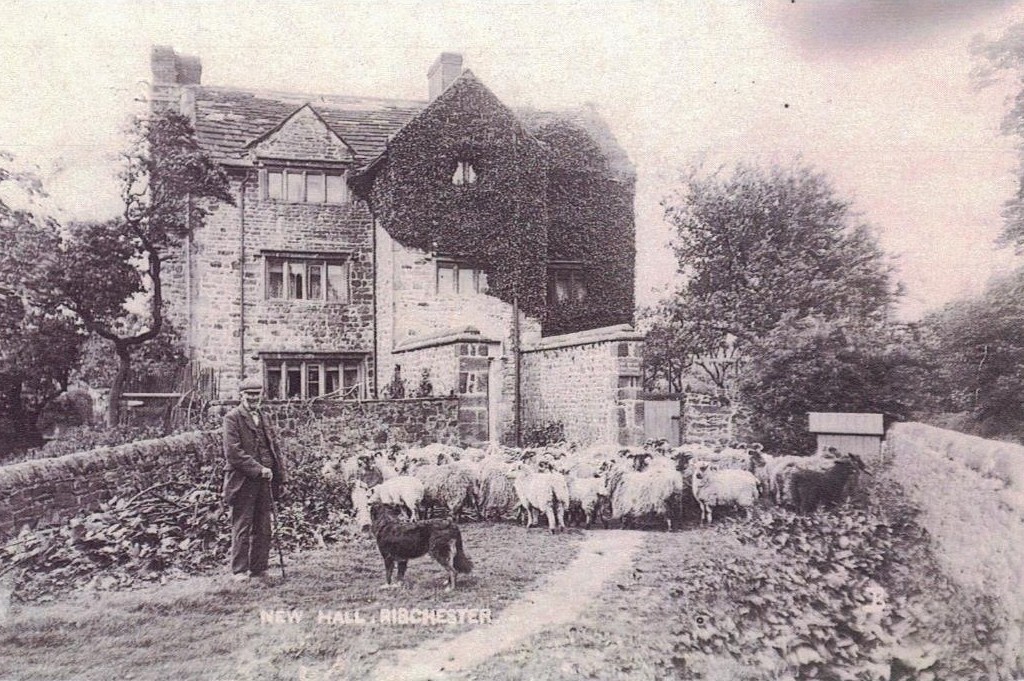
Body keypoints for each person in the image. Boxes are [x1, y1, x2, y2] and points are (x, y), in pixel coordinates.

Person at [222, 376, 287, 582]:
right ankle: (239, 571)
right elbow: (233, 453)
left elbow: (274, 448)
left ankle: (259, 569)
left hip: (265, 481)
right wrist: (258, 469)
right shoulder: (232, 418)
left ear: (261, 396)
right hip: (242, 481)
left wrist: (281, 476)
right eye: (249, 394)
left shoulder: (264, 417)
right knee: (242, 525)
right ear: (241, 396)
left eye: (256, 395)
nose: (252, 398)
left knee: (263, 526)